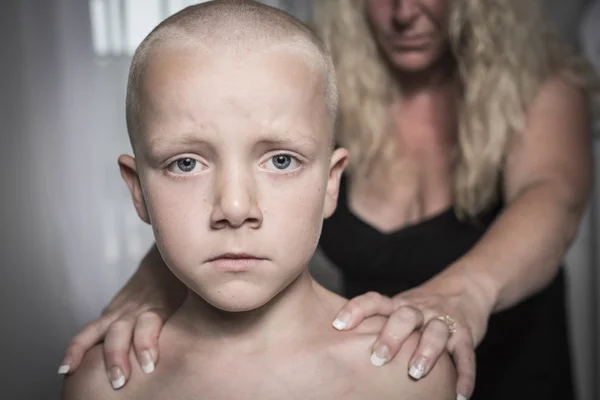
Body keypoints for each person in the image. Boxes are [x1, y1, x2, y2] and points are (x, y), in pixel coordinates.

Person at [59, 0, 598, 399]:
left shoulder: (540, 89)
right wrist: (145, 287)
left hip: (481, 367)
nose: (404, 11)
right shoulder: (308, 75)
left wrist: (466, 294)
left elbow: (554, 197)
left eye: (281, 161)